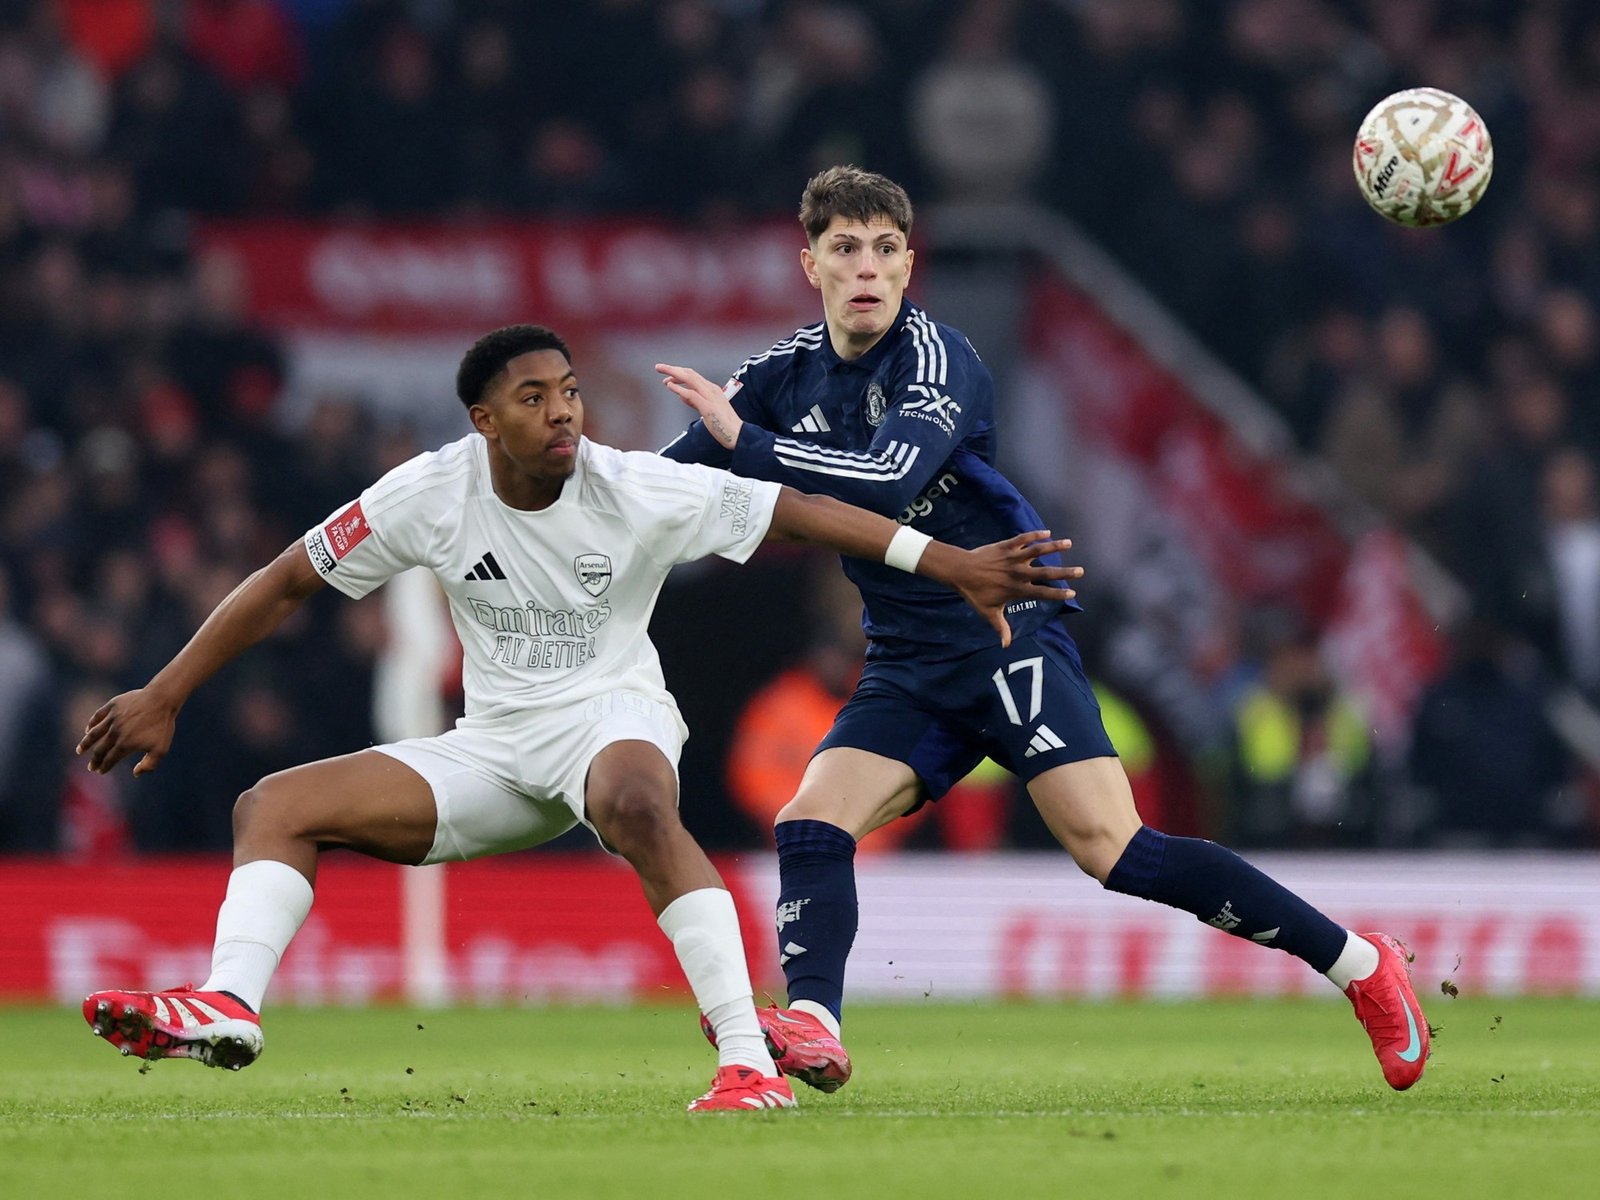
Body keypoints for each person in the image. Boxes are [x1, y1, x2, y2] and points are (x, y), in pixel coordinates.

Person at [75, 324, 1080, 1114]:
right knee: (274, 805)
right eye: (534, 398)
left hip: (613, 716)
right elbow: (286, 580)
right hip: (496, 748)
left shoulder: (631, 486)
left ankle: (745, 1062)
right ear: (483, 421)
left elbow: (795, 512)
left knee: (634, 802)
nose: (564, 413)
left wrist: (948, 563)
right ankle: (228, 1004)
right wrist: (167, 691)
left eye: (570, 392)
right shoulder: (424, 495)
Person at [657, 165, 1431, 1093]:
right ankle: (815, 1023)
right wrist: (559, 495)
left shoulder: (942, 361)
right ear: (810, 263)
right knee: (811, 821)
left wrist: (749, 447)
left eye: (885, 250)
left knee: (1115, 851)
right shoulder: (783, 376)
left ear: (910, 265)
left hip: (1006, 630)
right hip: (906, 656)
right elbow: (661, 485)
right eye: (845, 249)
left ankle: (1362, 967)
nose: (866, 269)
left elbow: (887, 481)